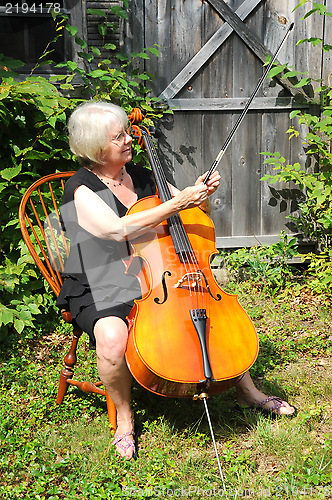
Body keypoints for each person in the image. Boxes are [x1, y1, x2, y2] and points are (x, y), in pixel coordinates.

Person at [57, 101, 296, 460]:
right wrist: (177, 202)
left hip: (153, 272)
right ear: (95, 147)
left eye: (126, 131)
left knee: (204, 308)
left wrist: (199, 197)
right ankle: (124, 419)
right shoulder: (81, 188)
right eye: (117, 136)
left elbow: (187, 214)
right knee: (111, 336)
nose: (126, 139)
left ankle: (248, 390)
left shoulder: (139, 173)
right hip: (101, 277)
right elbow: (114, 229)